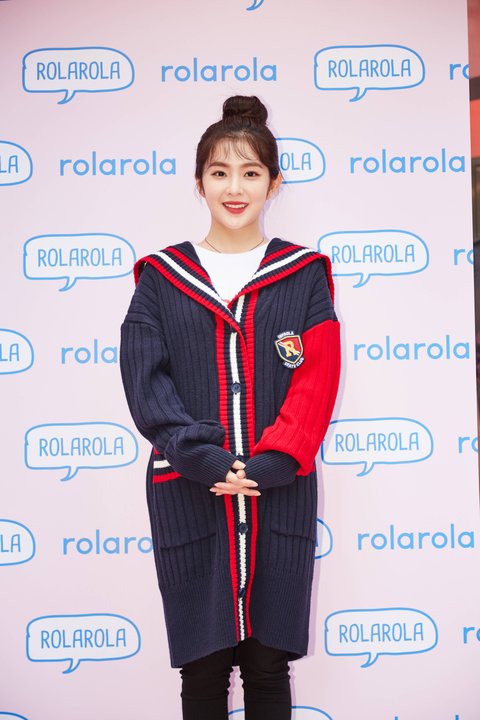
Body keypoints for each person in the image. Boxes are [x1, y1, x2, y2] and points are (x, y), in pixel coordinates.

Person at [119, 95, 341, 720]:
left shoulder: (304, 274)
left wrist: (274, 462)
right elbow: (145, 382)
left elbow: (317, 380)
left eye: (250, 172)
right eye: (220, 172)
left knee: (269, 665)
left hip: (280, 490)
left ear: (274, 183)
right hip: (190, 490)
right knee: (203, 666)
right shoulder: (161, 277)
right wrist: (205, 458)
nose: (234, 188)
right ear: (199, 183)